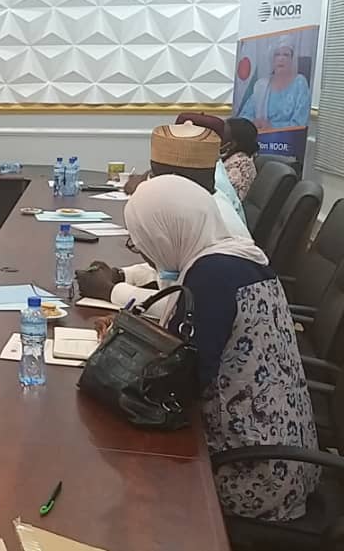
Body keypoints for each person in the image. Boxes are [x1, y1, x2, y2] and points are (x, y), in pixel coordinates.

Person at [123, 175, 318, 521]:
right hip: (287, 456)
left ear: (166, 231)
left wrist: (118, 352)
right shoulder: (240, 257)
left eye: (141, 240)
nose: (144, 251)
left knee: (128, 484)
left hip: (252, 474)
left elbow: (177, 382)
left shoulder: (210, 278)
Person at [78, 123, 250, 317]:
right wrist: (122, 275)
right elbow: (173, 268)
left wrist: (109, 291)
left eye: (154, 177)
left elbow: (182, 306)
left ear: (174, 181)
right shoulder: (199, 205)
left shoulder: (220, 223)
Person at [238, 38, 312, 130]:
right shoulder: (261, 85)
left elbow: (300, 123)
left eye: (286, 55)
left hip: (288, 138)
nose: (281, 58)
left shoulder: (300, 83)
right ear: (272, 60)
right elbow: (245, 116)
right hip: (260, 135)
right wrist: (254, 123)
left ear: (292, 59)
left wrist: (272, 127)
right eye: (277, 55)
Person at [221, 117, 259, 200]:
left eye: (222, 133)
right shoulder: (230, 157)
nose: (218, 136)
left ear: (232, 144)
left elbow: (225, 196)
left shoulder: (242, 165)